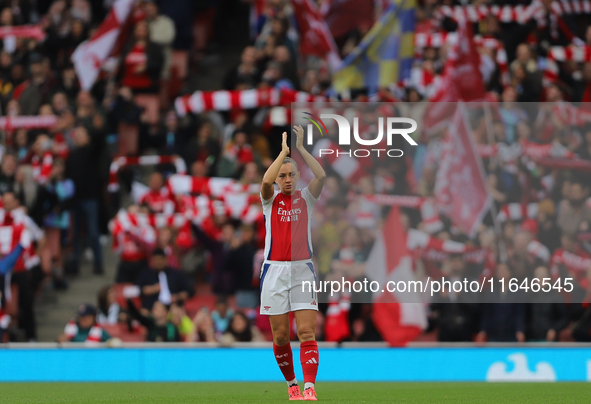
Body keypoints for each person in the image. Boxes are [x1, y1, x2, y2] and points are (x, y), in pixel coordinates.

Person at [259, 125, 325, 401]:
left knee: (307, 331)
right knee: (282, 336)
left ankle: (309, 387)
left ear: (298, 177)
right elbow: (265, 183)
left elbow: (320, 175)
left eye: (291, 175)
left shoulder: (306, 198)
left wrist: (299, 150)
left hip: (302, 270)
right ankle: (292, 385)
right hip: (274, 270)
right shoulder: (270, 200)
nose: (287, 180)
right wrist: (283, 154)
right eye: (283, 176)